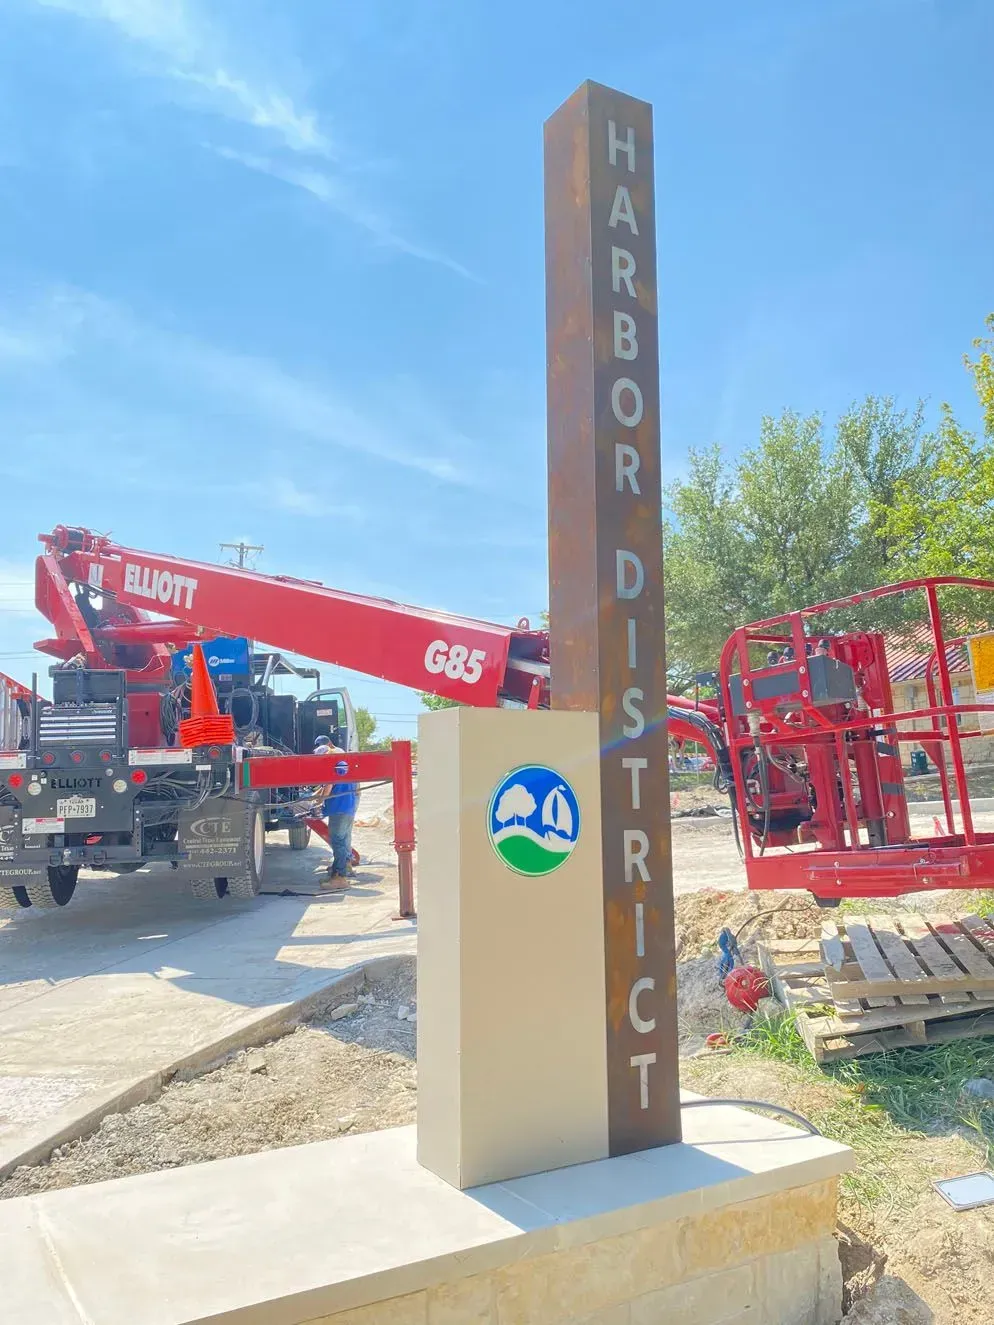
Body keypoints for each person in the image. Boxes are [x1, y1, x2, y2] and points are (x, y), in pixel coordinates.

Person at [314, 736, 359, 885]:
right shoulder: (344, 766)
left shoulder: (331, 767)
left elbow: (326, 790)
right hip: (349, 808)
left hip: (338, 809)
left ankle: (339, 877)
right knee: (343, 839)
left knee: (338, 841)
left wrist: (316, 802)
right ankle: (340, 869)